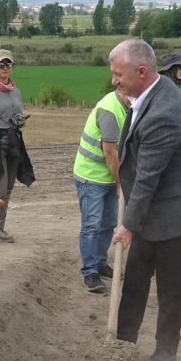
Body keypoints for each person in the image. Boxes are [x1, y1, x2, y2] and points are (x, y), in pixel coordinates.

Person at [108, 39, 181, 361]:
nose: (115, 81)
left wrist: (128, 224)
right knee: (138, 271)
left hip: (180, 212)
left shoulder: (165, 114)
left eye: (118, 74)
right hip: (159, 203)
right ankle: (123, 343)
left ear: (142, 71)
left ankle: (165, 351)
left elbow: (147, 179)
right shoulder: (150, 92)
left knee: (170, 282)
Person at [0, 49, 35, 245]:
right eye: (1, 64)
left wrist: (19, 121)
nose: (5, 68)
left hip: (13, 140)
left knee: (8, 187)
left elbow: (15, 114)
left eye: (8, 64)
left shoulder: (15, 91)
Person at [73, 87, 128, 293]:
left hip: (108, 177)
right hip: (91, 176)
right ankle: (90, 272)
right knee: (92, 225)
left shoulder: (130, 108)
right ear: (122, 89)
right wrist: (120, 181)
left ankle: (99, 262)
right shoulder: (110, 111)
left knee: (108, 223)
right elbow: (110, 154)